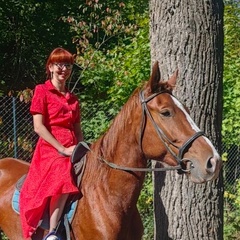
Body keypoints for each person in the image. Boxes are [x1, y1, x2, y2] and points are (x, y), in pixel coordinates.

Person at [20, 47, 83, 240]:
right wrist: (62, 149)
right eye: (59, 64)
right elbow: (38, 127)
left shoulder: (73, 99)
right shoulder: (42, 91)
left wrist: (82, 148)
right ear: (50, 67)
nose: (64, 68)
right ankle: (53, 232)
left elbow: (78, 130)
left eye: (68, 65)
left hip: (72, 146)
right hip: (51, 148)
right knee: (62, 170)